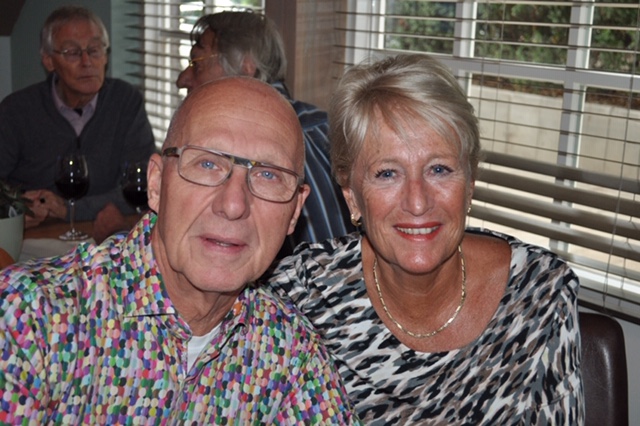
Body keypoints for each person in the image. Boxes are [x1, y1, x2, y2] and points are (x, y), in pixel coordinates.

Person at [0, 77, 359, 424]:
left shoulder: (290, 350)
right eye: (208, 164)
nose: (234, 205)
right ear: (156, 184)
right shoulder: (29, 320)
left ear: (294, 211)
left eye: (268, 175)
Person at [268, 54, 584, 424]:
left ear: (470, 183)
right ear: (351, 195)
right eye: (387, 173)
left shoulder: (540, 293)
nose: (417, 202)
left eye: (439, 169)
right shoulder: (302, 296)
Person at [176, 11, 354, 256]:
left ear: (246, 67)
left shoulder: (277, 150)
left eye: (197, 64)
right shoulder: (325, 125)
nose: (182, 79)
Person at [0, 6, 155, 230]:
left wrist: (69, 209)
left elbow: (145, 186)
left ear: (106, 55)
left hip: (102, 233)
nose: (86, 61)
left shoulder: (125, 101)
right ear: (49, 61)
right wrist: (17, 208)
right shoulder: (16, 110)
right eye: (72, 52)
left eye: (95, 50)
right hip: (38, 235)